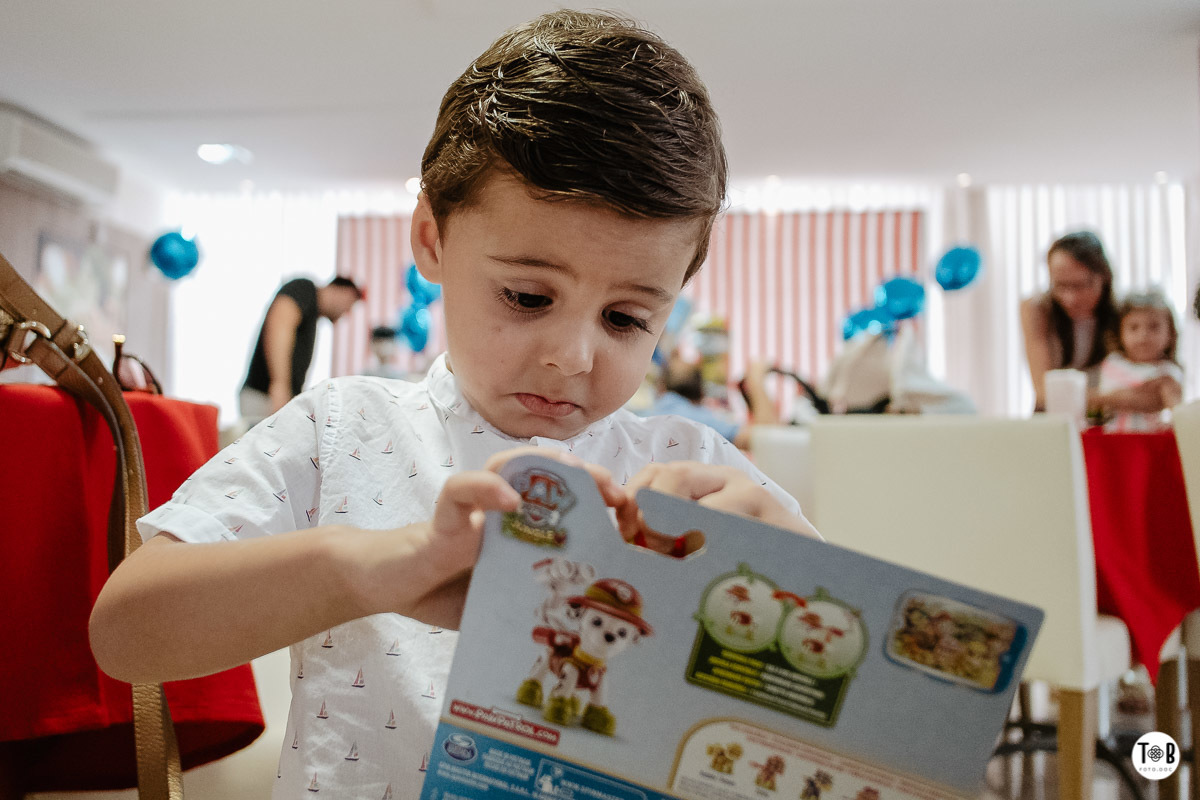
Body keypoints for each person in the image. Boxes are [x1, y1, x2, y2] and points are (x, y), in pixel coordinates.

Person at [89, 12, 819, 798]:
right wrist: (378, 569)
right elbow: (126, 632)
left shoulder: (694, 469)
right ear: (432, 240)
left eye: (626, 318)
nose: (571, 357)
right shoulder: (341, 429)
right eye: (528, 295)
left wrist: (797, 576)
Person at [239, 275, 366, 425]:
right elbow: (280, 322)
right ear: (345, 293)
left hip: (274, 398)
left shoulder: (311, 311)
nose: (345, 313)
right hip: (264, 397)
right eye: (349, 306)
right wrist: (279, 386)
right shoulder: (304, 289)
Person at [1019, 231, 1119, 412]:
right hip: (1054, 421)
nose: (1070, 298)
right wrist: (1111, 398)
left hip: (1107, 422)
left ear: (1103, 277)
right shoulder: (1037, 309)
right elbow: (1044, 393)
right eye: (1060, 285)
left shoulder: (1123, 314)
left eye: (1080, 285)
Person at [646, 354, 779, 448]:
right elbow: (768, 438)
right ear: (702, 392)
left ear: (661, 387)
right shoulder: (692, 417)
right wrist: (756, 380)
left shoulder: (655, 412)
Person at [1095, 290, 1183, 431]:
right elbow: (1106, 404)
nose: (1143, 336)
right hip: (1114, 442)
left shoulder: (1169, 371)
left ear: (1170, 334)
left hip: (1153, 444)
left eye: (1154, 327)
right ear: (1120, 333)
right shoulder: (1113, 364)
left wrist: (1094, 397)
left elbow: (1176, 410)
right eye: (1133, 328)